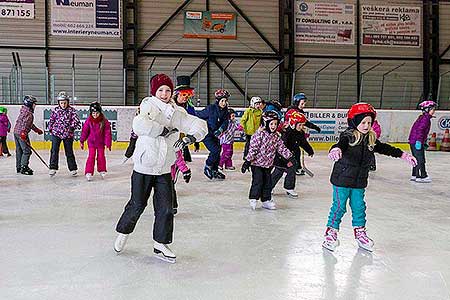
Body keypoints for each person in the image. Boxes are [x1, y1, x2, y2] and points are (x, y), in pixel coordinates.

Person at [114, 74, 207, 264]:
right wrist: (162, 130)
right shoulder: (148, 106)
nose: (164, 94)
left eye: (167, 90)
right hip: (144, 166)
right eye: (160, 90)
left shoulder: (177, 112)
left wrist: (191, 138)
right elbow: (139, 125)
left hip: (164, 168)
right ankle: (123, 232)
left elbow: (199, 125)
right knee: (137, 205)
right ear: (154, 92)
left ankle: (160, 243)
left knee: (166, 209)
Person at [322, 103, 417, 252]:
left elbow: (385, 148)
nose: (366, 126)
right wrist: (335, 149)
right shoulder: (349, 136)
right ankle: (331, 232)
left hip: (359, 181)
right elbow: (340, 144)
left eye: (369, 122)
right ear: (354, 122)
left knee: (359, 207)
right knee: (339, 207)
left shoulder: (370, 139)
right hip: (342, 180)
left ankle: (360, 232)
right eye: (363, 122)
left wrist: (403, 155)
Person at [241, 111, 294, 210]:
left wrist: (289, 157)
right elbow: (253, 148)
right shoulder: (259, 135)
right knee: (258, 181)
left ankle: (266, 200)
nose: (274, 126)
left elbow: (281, 148)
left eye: (275, 124)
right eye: (271, 123)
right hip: (256, 164)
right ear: (265, 123)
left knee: (268, 183)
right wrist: (247, 161)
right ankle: (253, 198)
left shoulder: (276, 136)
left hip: (268, 164)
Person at [271, 111, 313, 198]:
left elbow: (303, 143)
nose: (301, 127)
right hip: (281, 157)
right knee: (278, 172)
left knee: (291, 171)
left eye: (302, 125)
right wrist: (283, 157)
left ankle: (289, 187)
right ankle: (269, 187)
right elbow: (281, 146)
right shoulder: (287, 133)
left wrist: (309, 150)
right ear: (293, 123)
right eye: (299, 125)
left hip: (291, 157)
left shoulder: (300, 133)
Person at [196, 89, 230, 180]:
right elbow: (198, 115)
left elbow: (226, 122)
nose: (224, 103)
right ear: (218, 101)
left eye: (225, 101)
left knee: (218, 151)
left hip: (215, 135)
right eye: (222, 101)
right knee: (215, 150)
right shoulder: (211, 109)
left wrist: (221, 129)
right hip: (207, 134)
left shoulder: (226, 111)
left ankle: (214, 170)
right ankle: (208, 166)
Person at [48, 91, 81, 177]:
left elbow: (76, 120)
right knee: (54, 150)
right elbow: (51, 120)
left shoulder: (71, 111)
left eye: (65, 103)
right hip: (56, 133)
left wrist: (72, 127)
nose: (63, 105)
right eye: (61, 103)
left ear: (68, 102)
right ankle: (53, 167)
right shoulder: (55, 110)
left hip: (68, 135)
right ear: (58, 103)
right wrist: (51, 128)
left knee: (69, 151)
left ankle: (72, 168)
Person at [287, 93, 321, 175]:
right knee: (293, 152)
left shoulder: (299, 112)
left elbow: (305, 123)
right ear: (296, 102)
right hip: (290, 135)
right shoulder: (292, 111)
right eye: (302, 103)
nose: (303, 105)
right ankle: (291, 168)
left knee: (296, 151)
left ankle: (296, 167)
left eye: (304, 103)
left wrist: (314, 127)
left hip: (296, 134)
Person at [79, 102, 112, 181]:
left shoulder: (104, 121)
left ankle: (102, 170)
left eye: (97, 113)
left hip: (100, 143)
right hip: (91, 143)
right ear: (91, 113)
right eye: (93, 113)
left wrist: (108, 143)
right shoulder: (89, 121)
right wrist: (82, 141)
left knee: (101, 156)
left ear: (100, 112)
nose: (95, 115)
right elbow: (85, 131)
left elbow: (107, 133)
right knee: (91, 156)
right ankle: (89, 172)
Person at [408, 100, 437, 183]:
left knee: (416, 159)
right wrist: (419, 141)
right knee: (420, 159)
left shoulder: (422, 118)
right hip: (416, 141)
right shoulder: (425, 119)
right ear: (427, 109)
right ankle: (421, 176)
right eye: (432, 110)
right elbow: (420, 130)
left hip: (414, 141)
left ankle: (414, 175)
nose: (434, 111)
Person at [13, 95, 43, 175]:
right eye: (34, 104)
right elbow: (24, 123)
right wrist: (23, 132)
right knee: (27, 151)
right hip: (21, 134)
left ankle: (19, 167)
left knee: (19, 151)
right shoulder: (28, 113)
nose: (35, 106)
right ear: (29, 104)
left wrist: (36, 130)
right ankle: (24, 167)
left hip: (16, 132)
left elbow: (28, 123)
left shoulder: (24, 111)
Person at [173, 75, 200, 161]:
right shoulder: (169, 104)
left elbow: (194, 123)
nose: (185, 97)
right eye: (183, 94)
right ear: (177, 94)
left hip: (181, 136)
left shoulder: (189, 107)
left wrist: (196, 142)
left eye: (188, 95)